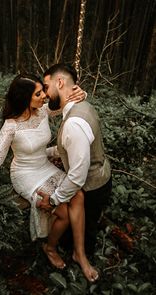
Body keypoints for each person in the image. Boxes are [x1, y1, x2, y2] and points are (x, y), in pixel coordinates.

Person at [0, 73, 99, 282]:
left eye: (43, 90)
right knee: (62, 212)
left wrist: (81, 93)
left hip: (45, 166)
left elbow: (68, 105)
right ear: (24, 98)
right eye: (38, 93)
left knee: (78, 194)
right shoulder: (11, 126)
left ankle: (79, 253)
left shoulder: (43, 111)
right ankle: (49, 247)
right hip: (25, 174)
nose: (44, 95)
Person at [38, 63, 112, 257]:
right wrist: (44, 153)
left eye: (46, 87)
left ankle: (80, 262)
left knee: (84, 233)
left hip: (92, 187)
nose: (45, 94)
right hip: (101, 176)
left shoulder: (74, 123)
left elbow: (78, 176)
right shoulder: (82, 105)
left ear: (60, 82)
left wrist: (54, 200)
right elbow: (69, 147)